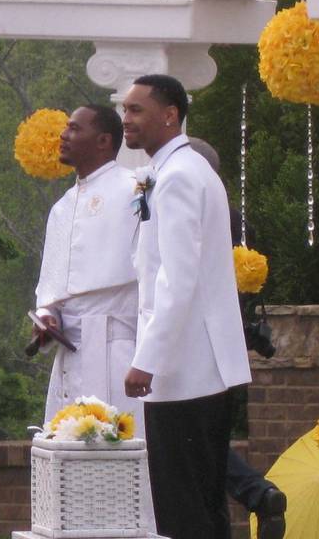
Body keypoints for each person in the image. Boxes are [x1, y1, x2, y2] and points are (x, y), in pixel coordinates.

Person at [122, 74, 252, 539]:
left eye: (137, 109)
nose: (126, 118)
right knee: (203, 500)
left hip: (185, 368)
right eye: (125, 108)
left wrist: (146, 360)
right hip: (201, 366)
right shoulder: (187, 170)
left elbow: (176, 279)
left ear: (170, 114)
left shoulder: (178, 177)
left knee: (183, 507)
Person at [189, 136, 287, 539]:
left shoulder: (197, 215)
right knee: (204, 439)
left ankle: (251, 493)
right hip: (226, 343)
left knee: (191, 441)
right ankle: (255, 493)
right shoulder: (233, 218)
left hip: (194, 343)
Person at [33, 104, 142, 426]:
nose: (64, 135)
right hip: (70, 355)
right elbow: (50, 294)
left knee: (122, 444)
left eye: (75, 128)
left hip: (118, 349)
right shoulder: (62, 207)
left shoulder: (134, 189)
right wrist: (46, 318)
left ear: (103, 141)